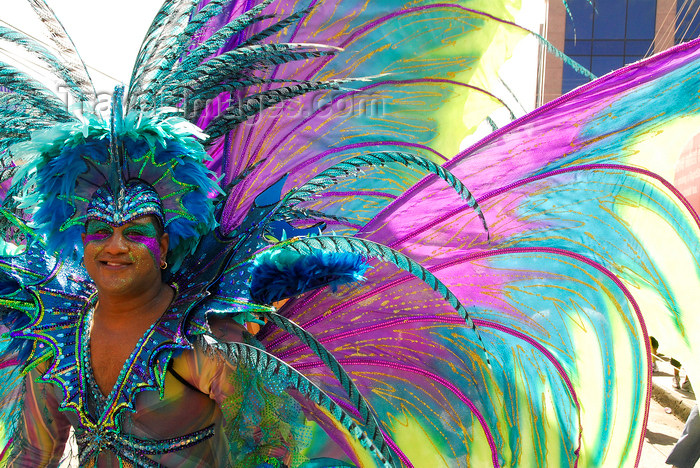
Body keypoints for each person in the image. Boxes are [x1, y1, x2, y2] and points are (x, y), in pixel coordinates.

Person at [2, 1, 700, 467]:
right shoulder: (52, 349)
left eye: (137, 229)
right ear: (72, 236)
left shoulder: (206, 346)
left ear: (169, 233)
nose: (115, 244)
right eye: (98, 229)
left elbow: (276, 450)